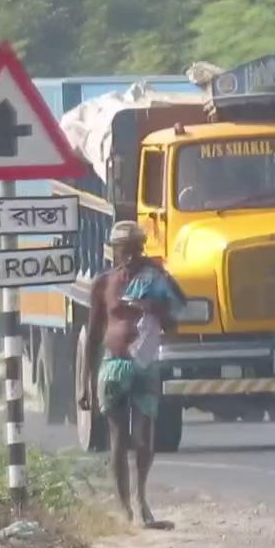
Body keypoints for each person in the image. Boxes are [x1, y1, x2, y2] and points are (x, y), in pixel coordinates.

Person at [77, 221, 185, 529]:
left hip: (145, 365)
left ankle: (141, 500)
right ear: (114, 251)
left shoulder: (156, 281)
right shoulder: (103, 284)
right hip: (112, 365)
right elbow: (95, 332)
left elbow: (174, 324)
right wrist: (85, 383)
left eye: (137, 248)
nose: (132, 255)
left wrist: (153, 307)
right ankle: (124, 507)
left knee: (144, 437)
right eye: (126, 249)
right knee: (117, 439)